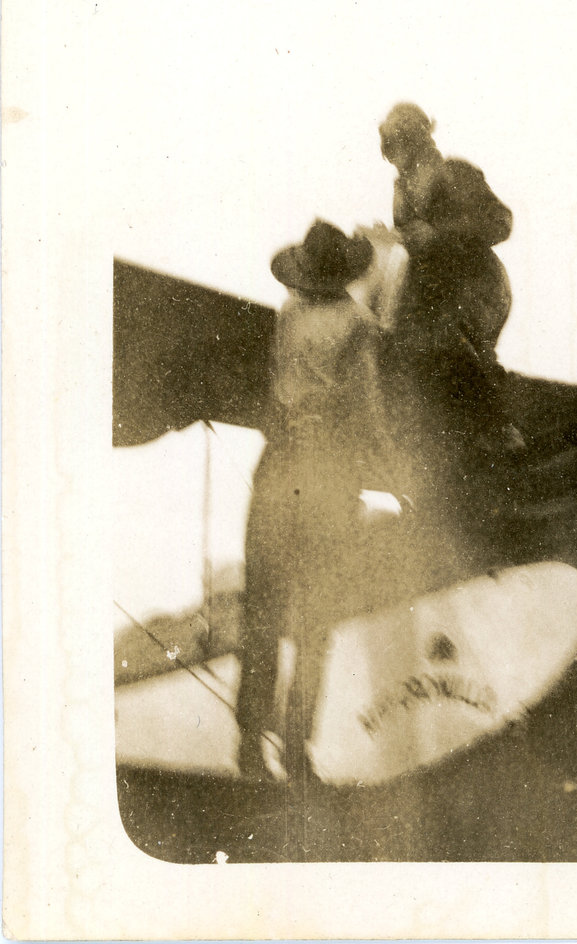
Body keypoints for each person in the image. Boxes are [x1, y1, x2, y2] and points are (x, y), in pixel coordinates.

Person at [235, 220, 393, 783]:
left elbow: (277, 393)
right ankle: (299, 753)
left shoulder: (288, 315)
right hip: (330, 478)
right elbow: (368, 410)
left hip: (278, 471)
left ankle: (249, 747)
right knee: (314, 621)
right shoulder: (359, 326)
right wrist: (391, 466)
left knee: (261, 612)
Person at [377, 102, 522, 455]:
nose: (393, 156)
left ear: (416, 141)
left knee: (452, 343)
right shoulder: (403, 187)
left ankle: (501, 428)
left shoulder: (455, 174)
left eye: (398, 145)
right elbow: (413, 240)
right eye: (389, 149)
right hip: (427, 288)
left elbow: (500, 222)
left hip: (474, 286)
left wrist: (438, 233)